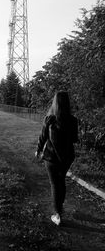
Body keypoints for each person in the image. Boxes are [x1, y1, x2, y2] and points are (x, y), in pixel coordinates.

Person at [35, 91, 78, 225]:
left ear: (55, 102)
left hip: (51, 158)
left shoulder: (49, 119)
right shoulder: (73, 120)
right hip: (67, 158)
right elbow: (75, 140)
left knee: (55, 184)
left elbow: (43, 136)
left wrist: (38, 150)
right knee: (61, 182)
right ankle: (60, 207)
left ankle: (57, 214)